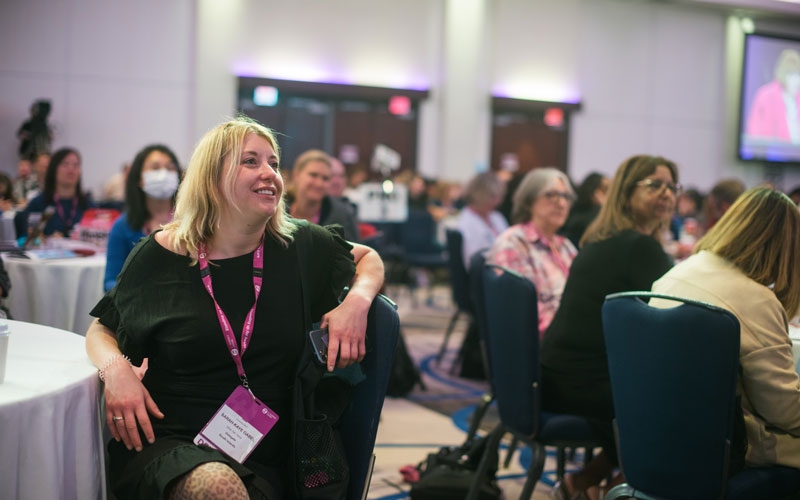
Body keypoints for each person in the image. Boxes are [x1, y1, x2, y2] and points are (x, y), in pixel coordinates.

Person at [85, 116, 384, 499]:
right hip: (170, 439)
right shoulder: (161, 253)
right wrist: (115, 370)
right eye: (251, 161)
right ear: (212, 179)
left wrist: (355, 303)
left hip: (267, 450)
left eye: (274, 164)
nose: (269, 173)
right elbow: (101, 327)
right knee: (216, 485)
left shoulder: (299, 246)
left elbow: (369, 258)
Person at [543, 155, 678, 499]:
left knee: (661, 389)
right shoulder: (640, 247)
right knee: (684, 402)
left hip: (558, 376)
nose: (666, 193)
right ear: (626, 193)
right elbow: (675, 316)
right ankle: (621, 488)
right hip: (586, 382)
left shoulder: (601, 239)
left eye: (671, 186)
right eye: (654, 185)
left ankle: (588, 482)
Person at [651, 186, 800, 469]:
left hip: (660, 437)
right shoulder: (755, 299)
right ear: (786, 247)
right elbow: (785, 411)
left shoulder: (677, 272)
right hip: (725, 448)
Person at [486, 167, 577, 337]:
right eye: (551, 195)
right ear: (529, 201)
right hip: (544, 343)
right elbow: (519, 312)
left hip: (569, 335)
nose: (562, 203)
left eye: (566, 197)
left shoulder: (565, 246)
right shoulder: (514, 243)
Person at [103, 145, 182, 291]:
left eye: (170, 168)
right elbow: (109, 282)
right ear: (139, 178)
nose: (163, 174)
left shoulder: (191, 222)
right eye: (155, 168)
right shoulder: (122, 226)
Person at [15, 147, 93, 239]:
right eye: (65, 164)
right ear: (54, 170)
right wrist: (46, 240)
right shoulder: (39, 204)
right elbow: (27, 240)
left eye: (76, 165)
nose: (71, 169)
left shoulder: (88, 205)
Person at [287, 149, 360, 242]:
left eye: (325, 178)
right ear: (295, 175)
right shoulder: (275, 212)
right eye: (313, 175)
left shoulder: (343, 217)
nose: (319, 184)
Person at [746, 49, 800, 144]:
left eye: (798, 74)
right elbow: (754, 134)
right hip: (771, 154)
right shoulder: (766, 96)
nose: (797, 80)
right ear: (783, 74)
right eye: (792, 74)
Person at [456, 172, 508, 265]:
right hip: (487, 272)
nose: (498, 202)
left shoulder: (496, 216)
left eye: (499, 197)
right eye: (493, 197)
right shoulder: (467, 223)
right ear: (479, 195)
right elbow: (473, 261)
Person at [559, 172, 610, 247]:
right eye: (605, 190)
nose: (609, 194)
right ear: (594, 191)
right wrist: (601, 207)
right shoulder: (575, 214)